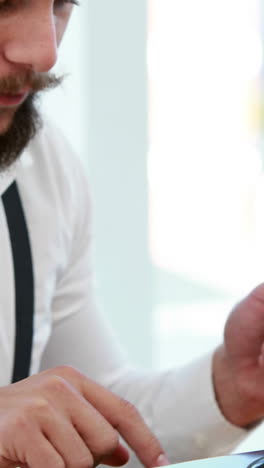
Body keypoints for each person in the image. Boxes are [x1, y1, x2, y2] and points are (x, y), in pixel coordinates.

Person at [1, 0, 264, 467]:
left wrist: (233, 384)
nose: (44, 52)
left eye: (61, 4)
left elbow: (99, 416)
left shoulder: (45, 169)